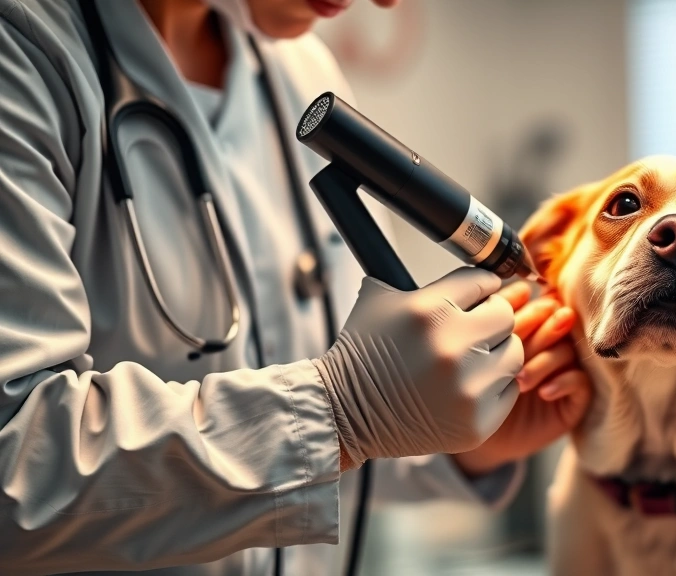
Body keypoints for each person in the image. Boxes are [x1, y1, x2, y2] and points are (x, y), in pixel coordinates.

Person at [0, 0, 592, 574]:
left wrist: (460, 434)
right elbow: (15, 465)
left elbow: (317, 453)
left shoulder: (299, 72)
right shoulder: (22, 50)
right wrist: (343, 410)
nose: (384, 3)